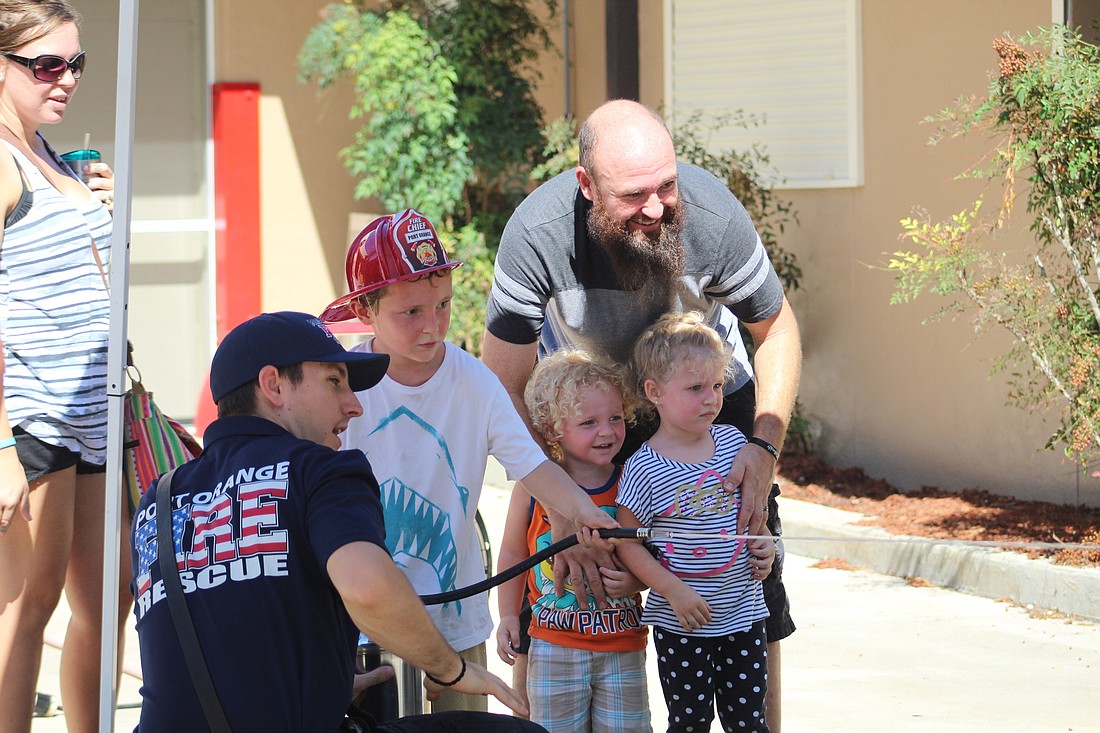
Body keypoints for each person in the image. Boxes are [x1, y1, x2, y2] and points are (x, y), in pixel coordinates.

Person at [481, 99, 801, 730]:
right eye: (633, 195)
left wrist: (762, 451)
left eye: (667, 185)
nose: (657, 209)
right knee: (570, 570)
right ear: (586, 186)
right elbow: (504, 386)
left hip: (704, 394)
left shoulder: (712, 218)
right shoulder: (537, 233)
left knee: (749, 580)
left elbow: (779, 332)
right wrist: (563, 502)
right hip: (589, 406)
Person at [130, 311, 552, 732]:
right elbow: (368, 590)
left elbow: (217, 628)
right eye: (335, 381)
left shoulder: (158, 501)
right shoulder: (319, 470)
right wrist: (452, 670)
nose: (354, 405)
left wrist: (319, 687)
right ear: (273, 385)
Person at [318, 210, 618, 714]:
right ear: (366, 310)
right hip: (363, 626)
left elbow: (534, 466)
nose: (432, 326)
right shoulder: (341, 384)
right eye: (409, 312)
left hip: (457, 622)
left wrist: (585, 513)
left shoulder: (475, 382)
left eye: (443, 306)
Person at [0, 1, 119, 730]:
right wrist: (2, 446)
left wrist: (96, 199)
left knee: (110, 597)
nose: (66, 78)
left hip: (94, 408)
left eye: (76, 62)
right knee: (28, 603)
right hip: (34, 409)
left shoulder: (48, 150)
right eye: (47, 63)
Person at [615, 312, 774, 732]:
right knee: (689, 723)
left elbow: (752, 517)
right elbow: (628, 543)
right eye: (695, 387)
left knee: (748, 723)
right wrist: (672, 592)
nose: (711, 398)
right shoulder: (643, 468)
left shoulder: (735, 444)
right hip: (681, 623)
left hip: (743, 615)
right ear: (655, 392)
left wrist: (763, 547)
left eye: (718, 385)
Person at [495, 350, 649, 732]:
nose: (607, 431)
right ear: (551, 430)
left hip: (622, 645)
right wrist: (508, 614)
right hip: (554, 645)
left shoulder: (633, 480)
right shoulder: (531, 487)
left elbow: (654, 552)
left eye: (615, 417)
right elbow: (514, 552)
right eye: (589, 422)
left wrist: (638, 581)